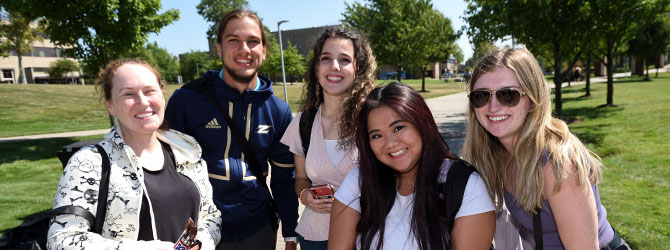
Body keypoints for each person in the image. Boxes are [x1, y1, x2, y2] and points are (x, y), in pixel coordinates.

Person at [462, 48, 629, 250]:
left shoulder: (557, 163)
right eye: (482, 96)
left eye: (508, 95)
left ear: (532, 98)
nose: (493, 107)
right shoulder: (499, 153)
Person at [47, 58, 221, 250]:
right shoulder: (89, 162)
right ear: (111, 105)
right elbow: (61, 239)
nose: (143, 102)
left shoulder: (187, 153)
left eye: (149, 91)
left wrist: (201, 243)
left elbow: (210, 217)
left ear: (162, 96)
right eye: (128, 94)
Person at [165, 9, 298, 250]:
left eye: (253, 42)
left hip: (257, 229)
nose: (244, 49)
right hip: (199, 231)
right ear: (219, 48)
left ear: (264, 51)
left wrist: (290, 234)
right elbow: (167, 173)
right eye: (233, 40)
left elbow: (283, 181)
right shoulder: (186, 100)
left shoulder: (278, 110)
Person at [329, 82, 495, 250]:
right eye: (377, 135)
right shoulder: (360, 179)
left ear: (421, 123)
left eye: (398, 128)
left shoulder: (464, 184)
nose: (390, 143)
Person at [279, 27, 376, 250]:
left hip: (366, 234)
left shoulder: (372, 119)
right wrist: (305, 196)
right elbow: (301, 178)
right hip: (315, 236)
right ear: (316, 68)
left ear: (356, 68)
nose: (334, 66)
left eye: (344, 59)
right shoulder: (303, 123)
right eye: (326, 58)